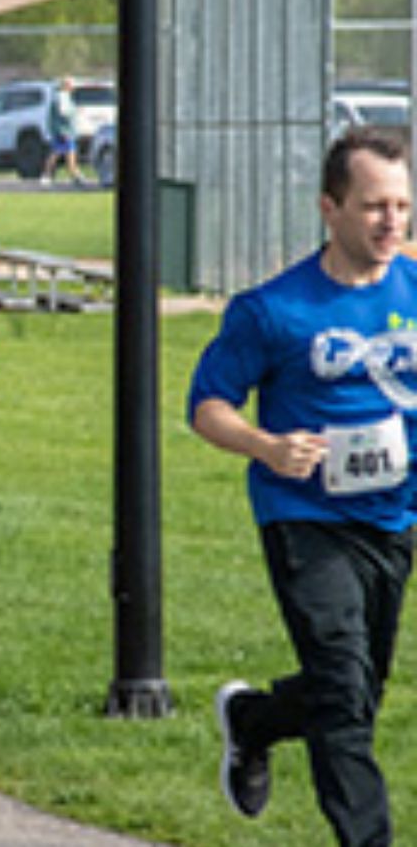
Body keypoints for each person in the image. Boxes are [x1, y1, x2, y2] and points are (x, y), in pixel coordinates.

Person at [190, 129, 417, 847]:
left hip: (393, 516)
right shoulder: (274, 309)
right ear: (330, 207)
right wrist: (267, 446)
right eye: (374, 206)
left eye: (402, 206)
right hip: (305, 516)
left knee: (353, 690)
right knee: (343, 695)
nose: (390, 222)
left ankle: (254, 722)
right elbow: (208, 405)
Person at [41, 76, 84, 187]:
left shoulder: (65, 97)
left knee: (68, 154)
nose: (73, 87)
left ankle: (75, 176)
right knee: (56, 154)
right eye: (71, 85)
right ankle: (47, 176)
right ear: (66, 86)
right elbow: (63, 113)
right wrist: (74, 112)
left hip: (66, 131)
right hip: (64, 132)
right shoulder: (62, 97)